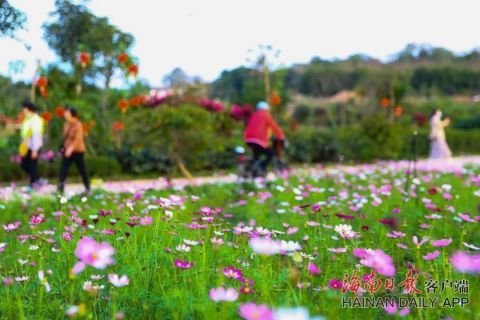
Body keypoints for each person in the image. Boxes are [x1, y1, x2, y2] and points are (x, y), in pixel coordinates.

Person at [244, 101, 285, 173]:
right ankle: (262, 167)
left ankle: (253, 170)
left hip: (249, 140)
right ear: (266, 109)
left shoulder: (253, 115)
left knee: (256, 155)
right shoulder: (265, 115)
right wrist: (281, 135)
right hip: (259, 140)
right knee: (271, 154)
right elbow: (274, 127)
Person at [58, 106, 90, 193]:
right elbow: (65, 138)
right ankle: (60, 189)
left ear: (73, 115)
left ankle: (87, 188)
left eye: (67, 113)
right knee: (63, 169)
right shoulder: (66, 124)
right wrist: (64, 148)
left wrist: (71, 149)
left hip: (77, 151)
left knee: (82, 169)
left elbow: (78, 139)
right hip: (67, 150)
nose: (65, 115)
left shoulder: (78, 125)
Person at [19, 101, 44, 187]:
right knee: (24, 165)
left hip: (34, 147)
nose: (23, 110)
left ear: (30, 109)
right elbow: (24, 133)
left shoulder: (36, 120)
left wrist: (35, 150)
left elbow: (36, 135)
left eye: (24, 108)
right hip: (26, 146)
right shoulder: (27, 119)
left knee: (32, 165)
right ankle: (38, 180)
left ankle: (32, 185)